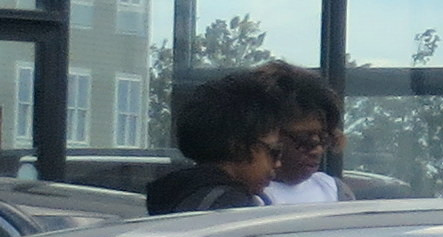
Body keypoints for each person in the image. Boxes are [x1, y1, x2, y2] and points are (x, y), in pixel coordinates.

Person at [144, 64, 307, 214]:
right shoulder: (229, 209)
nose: (278, 164)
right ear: (239, 147)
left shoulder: (177, 195)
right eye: (274, 151)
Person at [259, 81, 351, 206]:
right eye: (304, 139)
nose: (317, 151)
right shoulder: (249, 197)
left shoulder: (334, 189)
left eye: (324, 139)